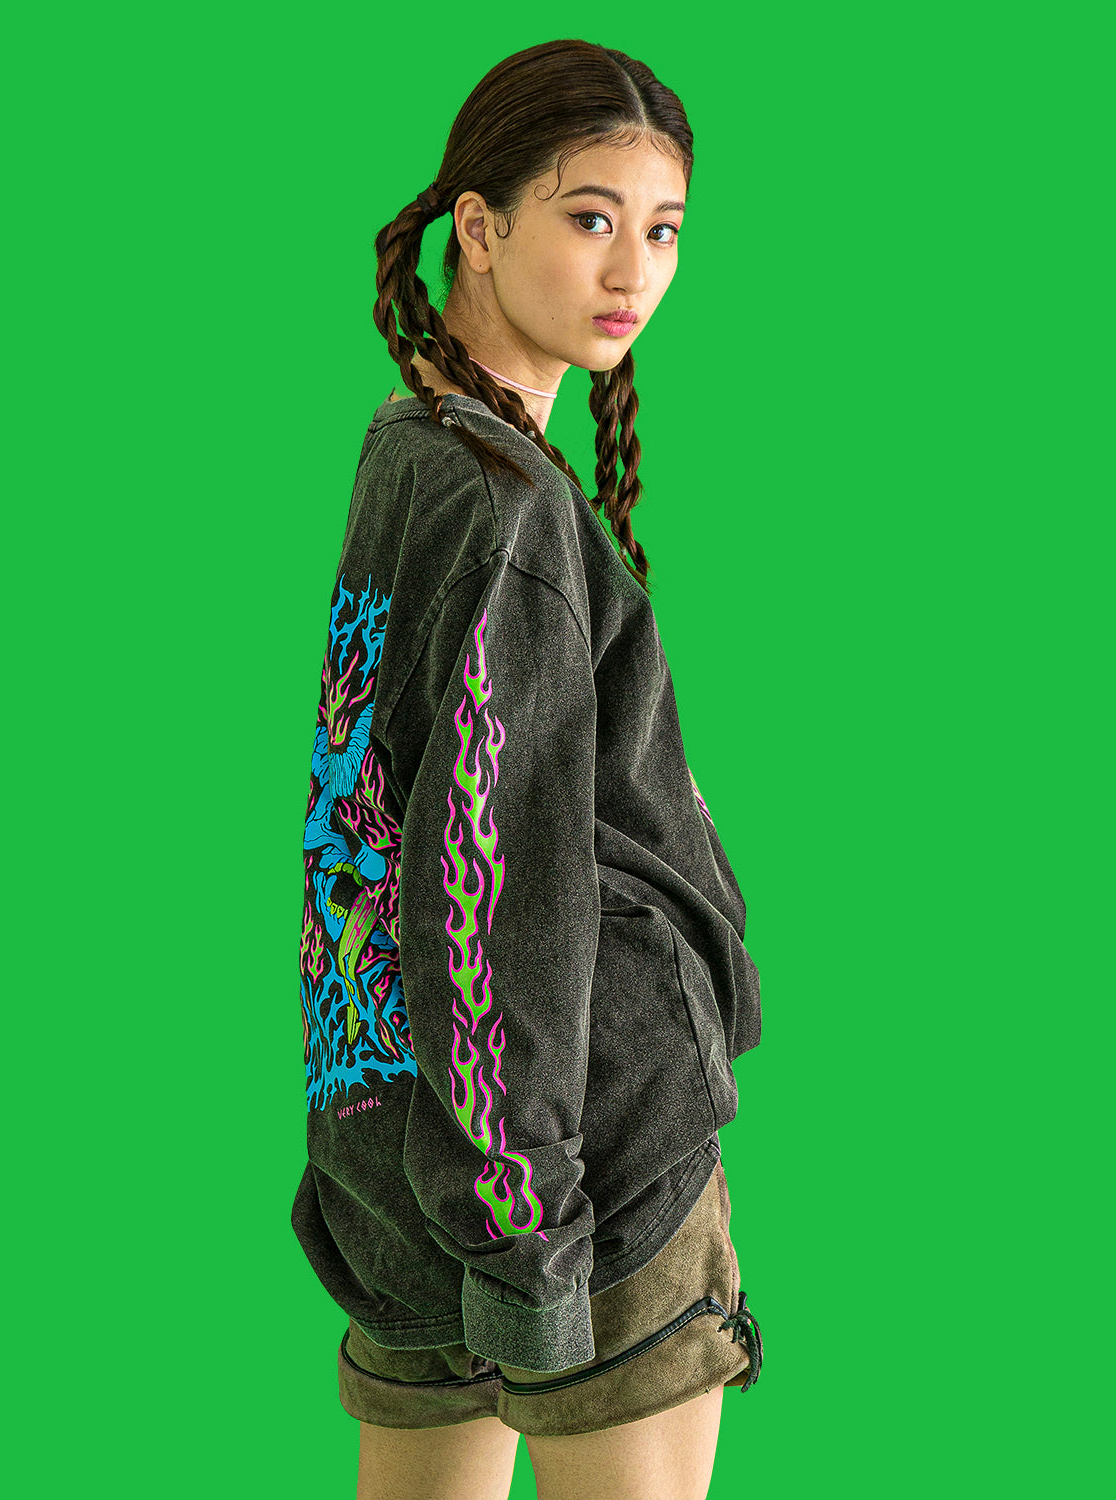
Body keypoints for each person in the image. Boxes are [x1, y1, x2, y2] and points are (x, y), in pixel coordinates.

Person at [291, 38, 765, 1500]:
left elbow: (365, 839)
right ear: (479, 227)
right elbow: (491, 878)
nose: (634, 270)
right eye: (590, 217)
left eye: (663, 229)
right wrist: (526, 1230)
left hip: (402, 1155)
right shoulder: (504, 505)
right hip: (571, 1179)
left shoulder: (410, 448)